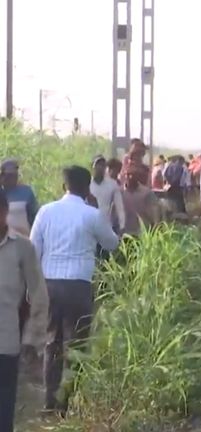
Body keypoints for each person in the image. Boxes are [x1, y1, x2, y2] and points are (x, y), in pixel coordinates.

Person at [29, 166, 120, 414]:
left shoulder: (46, 212)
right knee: (77, 344)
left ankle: (49, 400)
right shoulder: (92, 215)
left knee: (52, 341)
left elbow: (33, 250)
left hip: (50, 284)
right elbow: (112, 243)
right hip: (79, 285)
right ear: (87, 188)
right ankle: (67, 401)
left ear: (64, 186)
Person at [0, 190, 49, 432]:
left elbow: (39, 294)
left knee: (4, 408)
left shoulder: (22, 248)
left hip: (6, 342)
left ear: (5, 212)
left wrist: (32, 338)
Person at [0, 159, 39, 238]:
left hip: (23, 238)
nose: (12, 179)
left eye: (15, 175)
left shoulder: (25, 192)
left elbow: (34, 216)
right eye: (8, 176)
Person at [90, 155, 126, 234]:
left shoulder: (112, 184)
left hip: (105, 226)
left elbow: (119, 207)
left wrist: (122, 225)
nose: (100, 168)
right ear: (92, 167)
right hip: (89, 225)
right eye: (98, 165)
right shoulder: (86, 184)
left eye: (103, 165)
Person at [122, 166, 160, 237]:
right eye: (128, 174)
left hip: (142, 233)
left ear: (138, 176)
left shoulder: (147, 193)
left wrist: (155, 229)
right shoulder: (119, 193)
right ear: (124, 176)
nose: (130, 177)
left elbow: (155, 214)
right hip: (124, 233)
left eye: (133, 174)